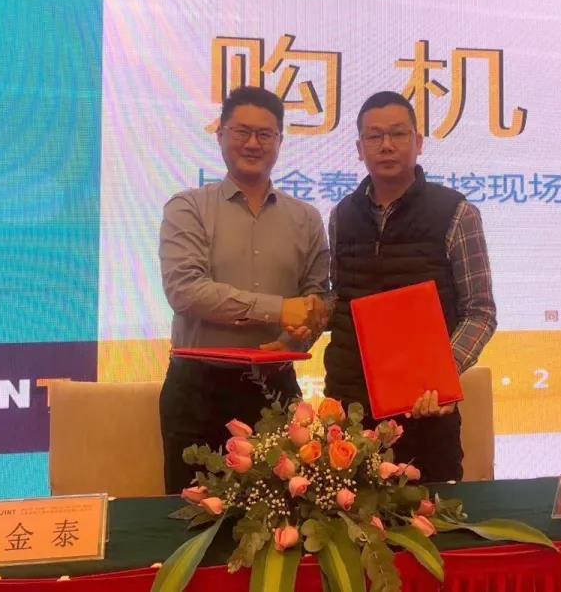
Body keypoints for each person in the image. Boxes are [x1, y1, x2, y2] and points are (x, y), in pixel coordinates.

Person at [158, 86, 329, 494]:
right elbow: (185, 290)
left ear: (280, 141)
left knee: (284, 517)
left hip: (275, 389)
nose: (253, 143)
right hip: (197, 392)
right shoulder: (187, 208)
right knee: (194, 515)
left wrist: (299, 333)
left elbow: (316, 299)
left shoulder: (306, 219)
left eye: (265, 134)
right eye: (242, 131)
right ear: (220, 134)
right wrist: (278, 309)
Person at [324, 91, 497, 482]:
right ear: (359, 149)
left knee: (430, 515)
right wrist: (307, 316)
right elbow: (341, 297)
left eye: (398, 134)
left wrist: (441, 375)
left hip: (424, 412)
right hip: (350, 411)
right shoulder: (341, 215)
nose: (386, 145)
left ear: (419, 142)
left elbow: (480, 311)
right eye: (374, 136)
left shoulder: (456, 212)